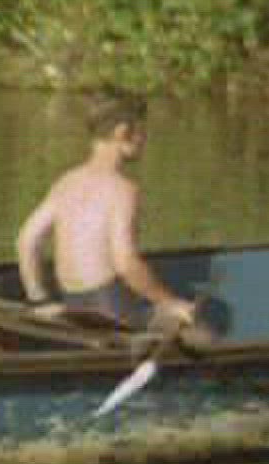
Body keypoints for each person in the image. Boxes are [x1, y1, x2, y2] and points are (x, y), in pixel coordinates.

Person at [16, 88, 211, 339]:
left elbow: (26, 241)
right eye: (141, 131)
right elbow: (126, 263)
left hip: (72, 306)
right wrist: (170, 302)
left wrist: (39, 299)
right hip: (111, 312)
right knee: (200, 335)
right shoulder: (122, 190)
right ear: (122, 132)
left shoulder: (66, 182)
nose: (144, 140)